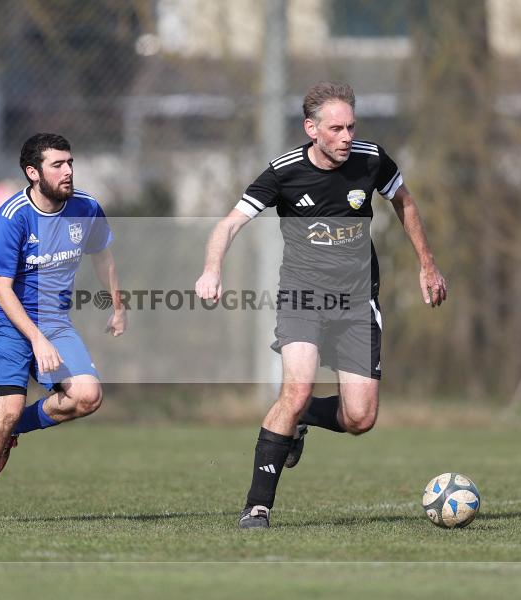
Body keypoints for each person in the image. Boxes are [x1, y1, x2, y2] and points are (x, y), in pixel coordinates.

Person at [195, 82, 447, 529]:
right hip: (302, 297)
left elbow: (404, 202)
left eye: (351, 126)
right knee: (294, 389)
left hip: (357, 301)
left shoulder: (372, 160)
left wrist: (427, 265)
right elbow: (230, 223)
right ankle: (257, 506)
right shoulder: (284, 172)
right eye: (336, 129)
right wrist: (212, 268)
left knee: (360, 418)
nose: (346, 136)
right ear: (312, 129)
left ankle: (303, 415)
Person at [0, 133, 126, 524]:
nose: (68, 171)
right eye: (57, 165)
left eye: (70, 162)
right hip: (8, 321)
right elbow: (2, 287)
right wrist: (36, 339)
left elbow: (103, 255)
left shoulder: (86, 208)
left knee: (87, 396)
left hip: (55, 321)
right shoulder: (13, 216)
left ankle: (12, 429)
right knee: (7, 410)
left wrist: (117, 304)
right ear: (33, 173)